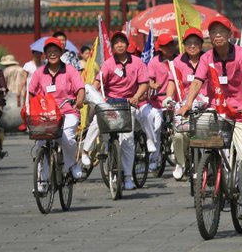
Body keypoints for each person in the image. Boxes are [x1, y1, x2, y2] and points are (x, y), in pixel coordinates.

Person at [178, 16, 242, 219]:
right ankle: (210, 169)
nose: (218, 35)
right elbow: (197, 82)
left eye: (222, 31)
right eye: (214, 32)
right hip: (218, 110)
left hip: (241, 112)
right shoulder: (206, 58)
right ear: (209, 37)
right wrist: (187, 104)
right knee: (200, 138)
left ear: (229, 35)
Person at [88, 31, 148, 190]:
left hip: (129, 103)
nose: (119, 45)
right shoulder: (108, 63)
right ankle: (92, 150)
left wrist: (136, 96)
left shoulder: (137, 62)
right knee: (96, 122)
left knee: (127, 139)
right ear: (113, 47)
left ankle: (128, 177)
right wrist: (92, 94)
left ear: (127, 45)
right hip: (111, 103)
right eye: (116, 43)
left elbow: (144, 83)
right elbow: (97, 82)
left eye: (122, 42)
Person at [28, 38, 85, 188]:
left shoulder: (70, 70)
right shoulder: (39, 72)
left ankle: (72, 164)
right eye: (49, 51)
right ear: (45, 54)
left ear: (61, 52)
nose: (52, 54)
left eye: (55, 51)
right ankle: (43, 179)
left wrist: (79, 100)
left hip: (67, 111)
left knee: (68, 137)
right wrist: (31, 109)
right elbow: (32, 93)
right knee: (41, 143)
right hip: (46, 114)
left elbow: (80, 89)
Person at [164, 28, 207, 180]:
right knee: (179, 136)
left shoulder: (208, 59)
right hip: (184, 106)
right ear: (183, 45)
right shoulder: (178, 62)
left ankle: (211, 163)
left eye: (196, 43)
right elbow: (172, 81)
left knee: (212, 135)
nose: (192, 46)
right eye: (189, 43)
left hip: (206, 106)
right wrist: (169, 97)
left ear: (202, 45)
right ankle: (181, 162)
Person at [145, 33, 177, 171]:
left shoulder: (179, 60)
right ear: (160, 48)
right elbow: (149, 80)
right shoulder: (154, 62)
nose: (169, 48)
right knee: (156, 128)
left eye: (171, 44)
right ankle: (155, 157)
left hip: (175, 101)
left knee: (180, 127)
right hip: (158, 101)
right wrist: (153, 85)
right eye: (166, 46)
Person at [18, 50, 44, 131]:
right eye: (35, 53)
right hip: (30, 90)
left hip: (41, 90)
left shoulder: (44, 65)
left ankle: (41, 124)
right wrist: (19, 91)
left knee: (41, 107)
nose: (37, 55)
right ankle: (31, 126)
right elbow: (23, 79)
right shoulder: (28, 65)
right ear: (33, 54)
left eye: (39, 53)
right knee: (29, 107)